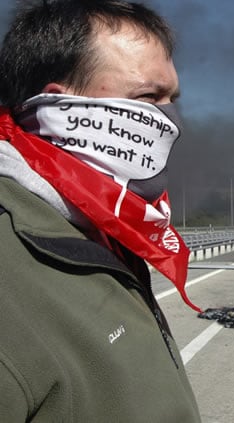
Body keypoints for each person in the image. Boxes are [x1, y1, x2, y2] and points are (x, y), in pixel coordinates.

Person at [0, 1, 201, 421]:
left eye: (172, 99)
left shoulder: (101, 227)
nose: (172, 120)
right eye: (149, 97)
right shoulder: (12, 256)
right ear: (60, 107)